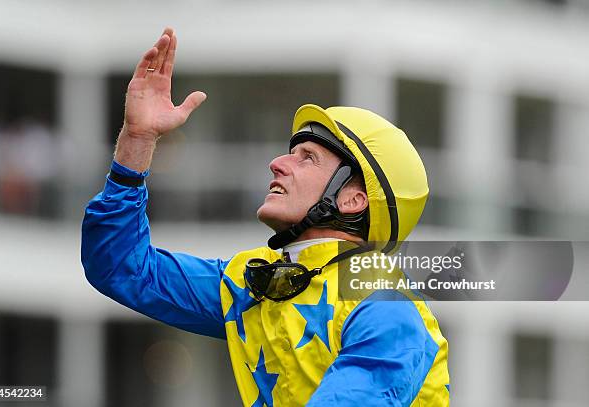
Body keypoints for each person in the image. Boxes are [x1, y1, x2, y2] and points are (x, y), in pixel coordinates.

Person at [81, 28, 449, 406]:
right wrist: (137, 141)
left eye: (307, 157)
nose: (277, 164)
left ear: (353, 199)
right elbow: (120, 266)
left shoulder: (385, 300)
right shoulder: (253, 281)